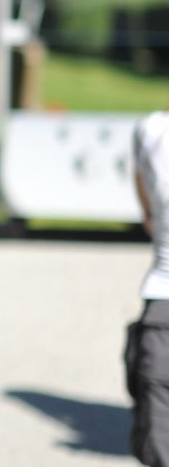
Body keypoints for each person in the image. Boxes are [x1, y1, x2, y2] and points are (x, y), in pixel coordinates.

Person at [129, 111, 169, 465]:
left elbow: (147, 212)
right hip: (161, 302)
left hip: (161, 305)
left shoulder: (151, 130)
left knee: (159, 432)